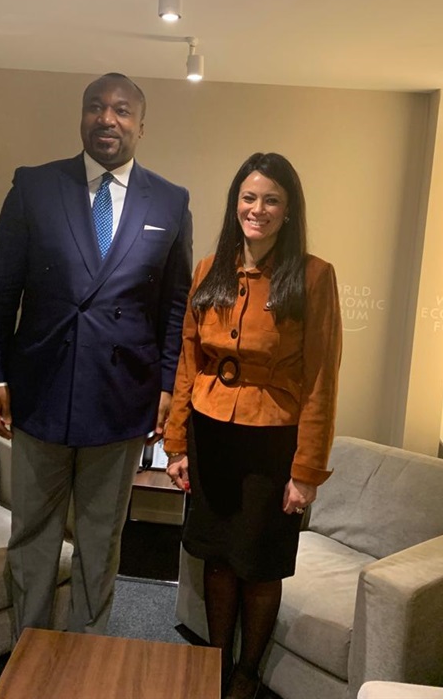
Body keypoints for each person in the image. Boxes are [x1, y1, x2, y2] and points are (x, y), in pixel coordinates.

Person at [0, 73, 192, 638]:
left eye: (121, 110)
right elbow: (0, 287)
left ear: (141, 125)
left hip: (122, 396)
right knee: (32, 533)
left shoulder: (170, 200)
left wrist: (167, 385)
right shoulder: (35, 185)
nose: (107, 119)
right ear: (82, 116)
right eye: (96, 107)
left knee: (100, 537)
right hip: (39, 389)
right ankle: (28, 651)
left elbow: (174, 306)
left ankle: (88, 654)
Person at [164, 152, 342, 699]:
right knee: (218, 559)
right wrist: (176, 443)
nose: (257, 209)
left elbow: (321, 379)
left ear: (288, 210)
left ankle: (247, 674)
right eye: (248, 197)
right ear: (235, 203)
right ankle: (216, 662)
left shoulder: (314, 276)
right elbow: (189, 361)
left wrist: (307, 470)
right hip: (212, 435)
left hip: (272, 443)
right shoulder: (208, 270)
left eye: (271, 200)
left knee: (260, 565)